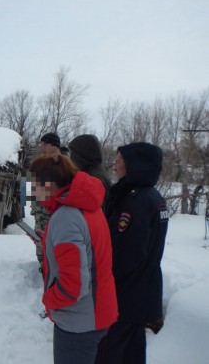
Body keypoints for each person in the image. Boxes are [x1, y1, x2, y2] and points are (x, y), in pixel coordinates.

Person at [29, 154, 117, 364]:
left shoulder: (66, 217)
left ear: (48, 185)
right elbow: (87, 249)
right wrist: (49, 240)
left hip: (78, 322)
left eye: (34, 186)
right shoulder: (87, 207)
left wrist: (49, 300)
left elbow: (73, 286)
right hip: (97, 313)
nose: (32, 192)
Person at [95, 142, 169, 364]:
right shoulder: (153, 196)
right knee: (133, 353)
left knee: (109, 352)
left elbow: (127, 252)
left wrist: (101, 279)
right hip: (141, 293)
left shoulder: (135, 202)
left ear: (132, 165)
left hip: (125, 297)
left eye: (118, 161)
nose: (115, 166)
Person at [30, 132, 62, 265]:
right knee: (41, 250)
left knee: (51, 252)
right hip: (40, 214)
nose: (41, 149)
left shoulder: (63, 164)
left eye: (43, 145)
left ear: (50, 145)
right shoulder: (44, 163)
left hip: (52, 216)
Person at [68, 134, 111, 207]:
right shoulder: (91, 172)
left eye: (73, 153)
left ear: (82, 155)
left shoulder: (94, 178)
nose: (71, 158)